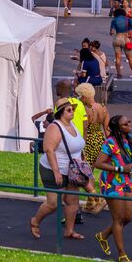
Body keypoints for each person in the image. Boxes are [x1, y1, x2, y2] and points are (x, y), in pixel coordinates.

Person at [30, 98, 84, 241]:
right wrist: (56, 171)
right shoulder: (54, 127)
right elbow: (49, 149)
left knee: (72, 201)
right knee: (53, 203)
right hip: (53, 169)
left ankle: (69, 231)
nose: (72, 111)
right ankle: (35, 221)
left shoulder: (72, 124)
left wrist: (83, 163)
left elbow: (78, 146)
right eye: (69, 110)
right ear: (60, 113)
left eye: (73, 109)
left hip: (72, 170)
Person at [93, 115, 132, 262]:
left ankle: (103, 235)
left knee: (128, 217)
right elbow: (98, 163)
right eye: (125, 124)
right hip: (112, 182)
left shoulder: (131, 139)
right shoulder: (110, 143)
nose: (129, 124)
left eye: (129, 122)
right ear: (117, 127)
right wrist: (120, 168)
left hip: (127, 180)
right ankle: (122, 255)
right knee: (118, 218)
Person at [75, 83, 106, 214]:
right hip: (100, 138)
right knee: (91, 171)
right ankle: (90, 202)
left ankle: (94, 200)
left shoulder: (85, 109)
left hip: (89, 141)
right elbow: (107, 127)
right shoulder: (102, 107)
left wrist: (83, 142)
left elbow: (85, 128)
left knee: (87, 172)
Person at [109, 8, 132, 79]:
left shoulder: (114, 20)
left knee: (118, 58)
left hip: (117, 38)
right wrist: (131, 34)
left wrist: (111, 32)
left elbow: (112, 32)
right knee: (130, 58)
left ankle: (119, 73)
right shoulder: (128, 19)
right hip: (125, 38)